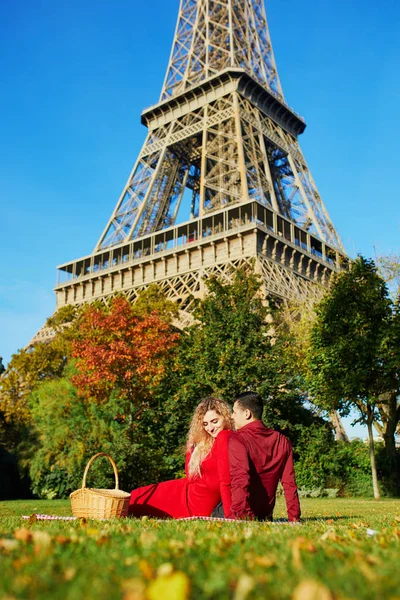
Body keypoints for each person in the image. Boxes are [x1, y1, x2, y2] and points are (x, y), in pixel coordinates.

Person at [128, 397, 232, 518]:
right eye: (205, 424)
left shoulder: (226, 437)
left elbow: (226, 482)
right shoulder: (206, 443)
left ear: (225, 417)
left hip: (197, 504)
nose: (210, 428)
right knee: (140, 495)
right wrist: (191, 447)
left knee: (140, 501)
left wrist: (230, 513)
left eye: (215, 421)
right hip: (187, 491)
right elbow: (190, 476)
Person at [228, 391, 301, 522]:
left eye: (234, 412)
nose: (231, 416)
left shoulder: (238, 439)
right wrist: (294, 518)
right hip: (265, 515)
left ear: (247, 414)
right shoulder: (282, 440)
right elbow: (289, 483)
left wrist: (243, 518)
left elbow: (240, 479)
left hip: (241, 513)